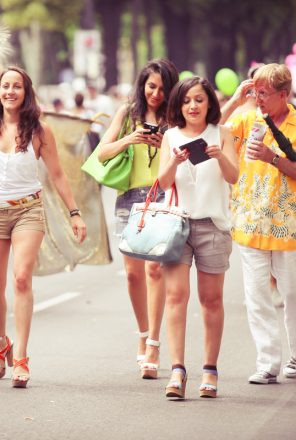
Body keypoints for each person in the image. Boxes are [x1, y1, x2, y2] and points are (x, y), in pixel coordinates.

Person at [0, 66, 86, 388]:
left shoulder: (39, 130)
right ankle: (1, 346)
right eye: (5, 86)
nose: (10, 92)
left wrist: (75, 213)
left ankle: (21, 357)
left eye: (17, 87)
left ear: (26, 93)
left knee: (22, 279)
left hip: (27, 211)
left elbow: (58, 175)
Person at [158, 76, 238, 399]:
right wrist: (174, 160)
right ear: (179, 105)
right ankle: (177, 370)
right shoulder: (170, 136)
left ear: (210, 104)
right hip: (177, 225)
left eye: (199, 100)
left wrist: (220, 156)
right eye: (187, 100)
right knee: (176, 297)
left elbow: (234, 177)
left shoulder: (223, 133)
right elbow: (162, 184)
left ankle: (210, 370)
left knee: (211, 299)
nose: (192, 106)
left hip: (212, 225)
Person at [98, 59, 179, 379]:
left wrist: (165, 145)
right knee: (133, 274)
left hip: (161, 195)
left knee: (155, 270)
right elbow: (102, 152)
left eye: (162, 88)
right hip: (129, 199)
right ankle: (143, 332)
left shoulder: (174, 118)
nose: (156, 93)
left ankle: (155, 344)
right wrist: (130, 139)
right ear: (142, 85)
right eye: (151, 86)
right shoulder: (128, 113)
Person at [227, 63, 296, 384]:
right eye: (255, 91)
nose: (259, 98)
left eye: (264, 93)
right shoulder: (247, 116)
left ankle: (295, 357)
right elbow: (208, 130)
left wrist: (274, 159)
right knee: (256, 295)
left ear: (284, 94)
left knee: (293, 293)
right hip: (250, 221)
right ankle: (268, 361)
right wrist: (235, 99)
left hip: (289, 226)